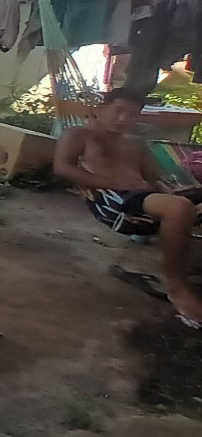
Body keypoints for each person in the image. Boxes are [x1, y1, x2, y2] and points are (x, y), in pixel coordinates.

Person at [53, 88, 202, 324]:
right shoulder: (80, 135)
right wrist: (111, 182)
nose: (123, 119)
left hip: (146, 198)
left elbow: (155, 180)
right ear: (102, 108)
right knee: (179, 208)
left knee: (182, 204)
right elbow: (62, 167)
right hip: (116, 202)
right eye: (118, 110)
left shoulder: (137, 144)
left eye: (132, 114)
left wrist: (172, 192)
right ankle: (178, 288)